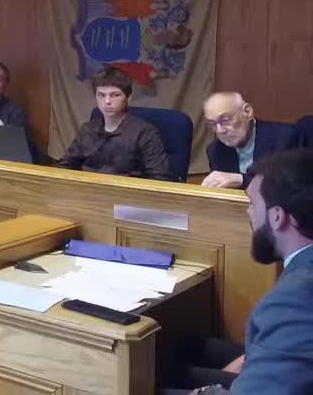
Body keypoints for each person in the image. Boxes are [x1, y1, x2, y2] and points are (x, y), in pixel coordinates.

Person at [161, 148, 313, 394]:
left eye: (252, 203)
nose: (248, 212)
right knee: (179, 347)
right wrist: (251, 359)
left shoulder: (294, 300)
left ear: (278, 217)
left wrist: (204, 391)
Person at [62, 67, 171, 180]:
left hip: (126, 189)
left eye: (115, 95)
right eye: (101, 95)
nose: (107, 101)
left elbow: (159, 178)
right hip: (88, 187)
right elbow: (66, 166)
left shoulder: (145, 133)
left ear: (128, 98)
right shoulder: (87, 129)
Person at [201, 92, 301, 189]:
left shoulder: (284, 138)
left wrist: (241, 180)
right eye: (212, 124)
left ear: (247, 112)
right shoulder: (216, 150)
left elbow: (287, 187)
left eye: (225, 120)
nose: (220, 130)